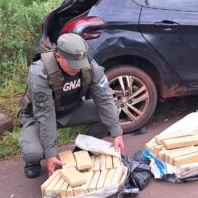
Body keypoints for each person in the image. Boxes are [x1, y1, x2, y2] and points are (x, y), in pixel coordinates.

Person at [18, 33, 124, 178]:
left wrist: (116, 132)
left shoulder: (89, 66)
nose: (77, 69)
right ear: (59, 57)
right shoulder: (40, 72)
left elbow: (104, 99)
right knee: (33, 153)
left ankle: (81, 152)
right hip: (38, 117)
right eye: (73, 65)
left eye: (80, 64)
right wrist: (51, 154)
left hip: (71, 109)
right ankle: (33, 162)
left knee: (113, 112)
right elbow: (45, 115)